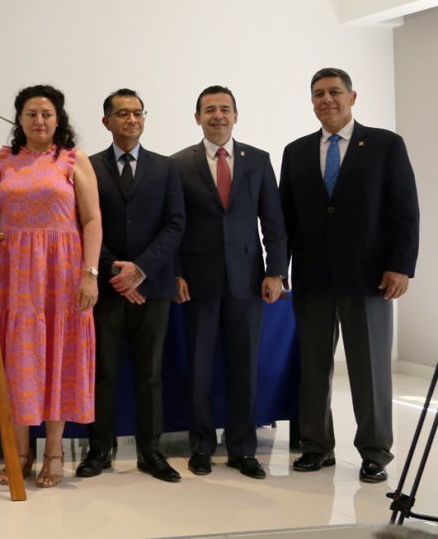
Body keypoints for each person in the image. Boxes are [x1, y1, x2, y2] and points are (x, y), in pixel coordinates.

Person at [280, 67, 419, 484]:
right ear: (312, 101)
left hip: (369, 278)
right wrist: (279, 270)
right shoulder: (296, 151)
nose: (327, 99)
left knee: (370, 370)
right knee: (313, 367)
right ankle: (316, 446)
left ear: (352, 97)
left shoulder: (385, 144)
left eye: (335, 92)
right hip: (313, 279)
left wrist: (401, 266)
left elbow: (405, 210)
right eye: (318, 93)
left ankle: (375, 452)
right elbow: (286, 219)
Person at [0, 85, 102, 488]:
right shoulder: (3, 159)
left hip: (61, 274)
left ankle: (54, 452)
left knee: (58, 356)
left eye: (46, 114)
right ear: (20, 119)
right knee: (18, 357)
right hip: (12, 274)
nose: (39, 121)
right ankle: (20, 451)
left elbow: (92, 220)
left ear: (58, 119)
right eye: (31, 113)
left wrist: (90, 273)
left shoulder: (74, 159)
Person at [171, 86, 287, 480]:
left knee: (244, 368)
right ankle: (202, 446)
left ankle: (242, 449)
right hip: (197, 282)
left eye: (224, 109)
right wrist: (176, 273)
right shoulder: (178, 164)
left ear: (236, 115)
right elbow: (173, 225)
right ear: (197, 117)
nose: (217, 115)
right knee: (199, 369)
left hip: (248, 282)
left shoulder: (258, 160)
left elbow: (273, 221)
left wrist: (276, 271)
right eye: (209, 109)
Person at [76, 88, 185, 483]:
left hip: (152, 288)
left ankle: (150, 452)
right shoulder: (88, 167)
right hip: (105, 288)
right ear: (106, 121)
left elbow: (175, 224)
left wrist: (140, 270)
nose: (132, 119)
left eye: (138, 113)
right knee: (103, 371)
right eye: (122, 113)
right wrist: (116, 273)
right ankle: (99, 449)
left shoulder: (166, 167)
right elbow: (82, 223)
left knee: (149, 373)